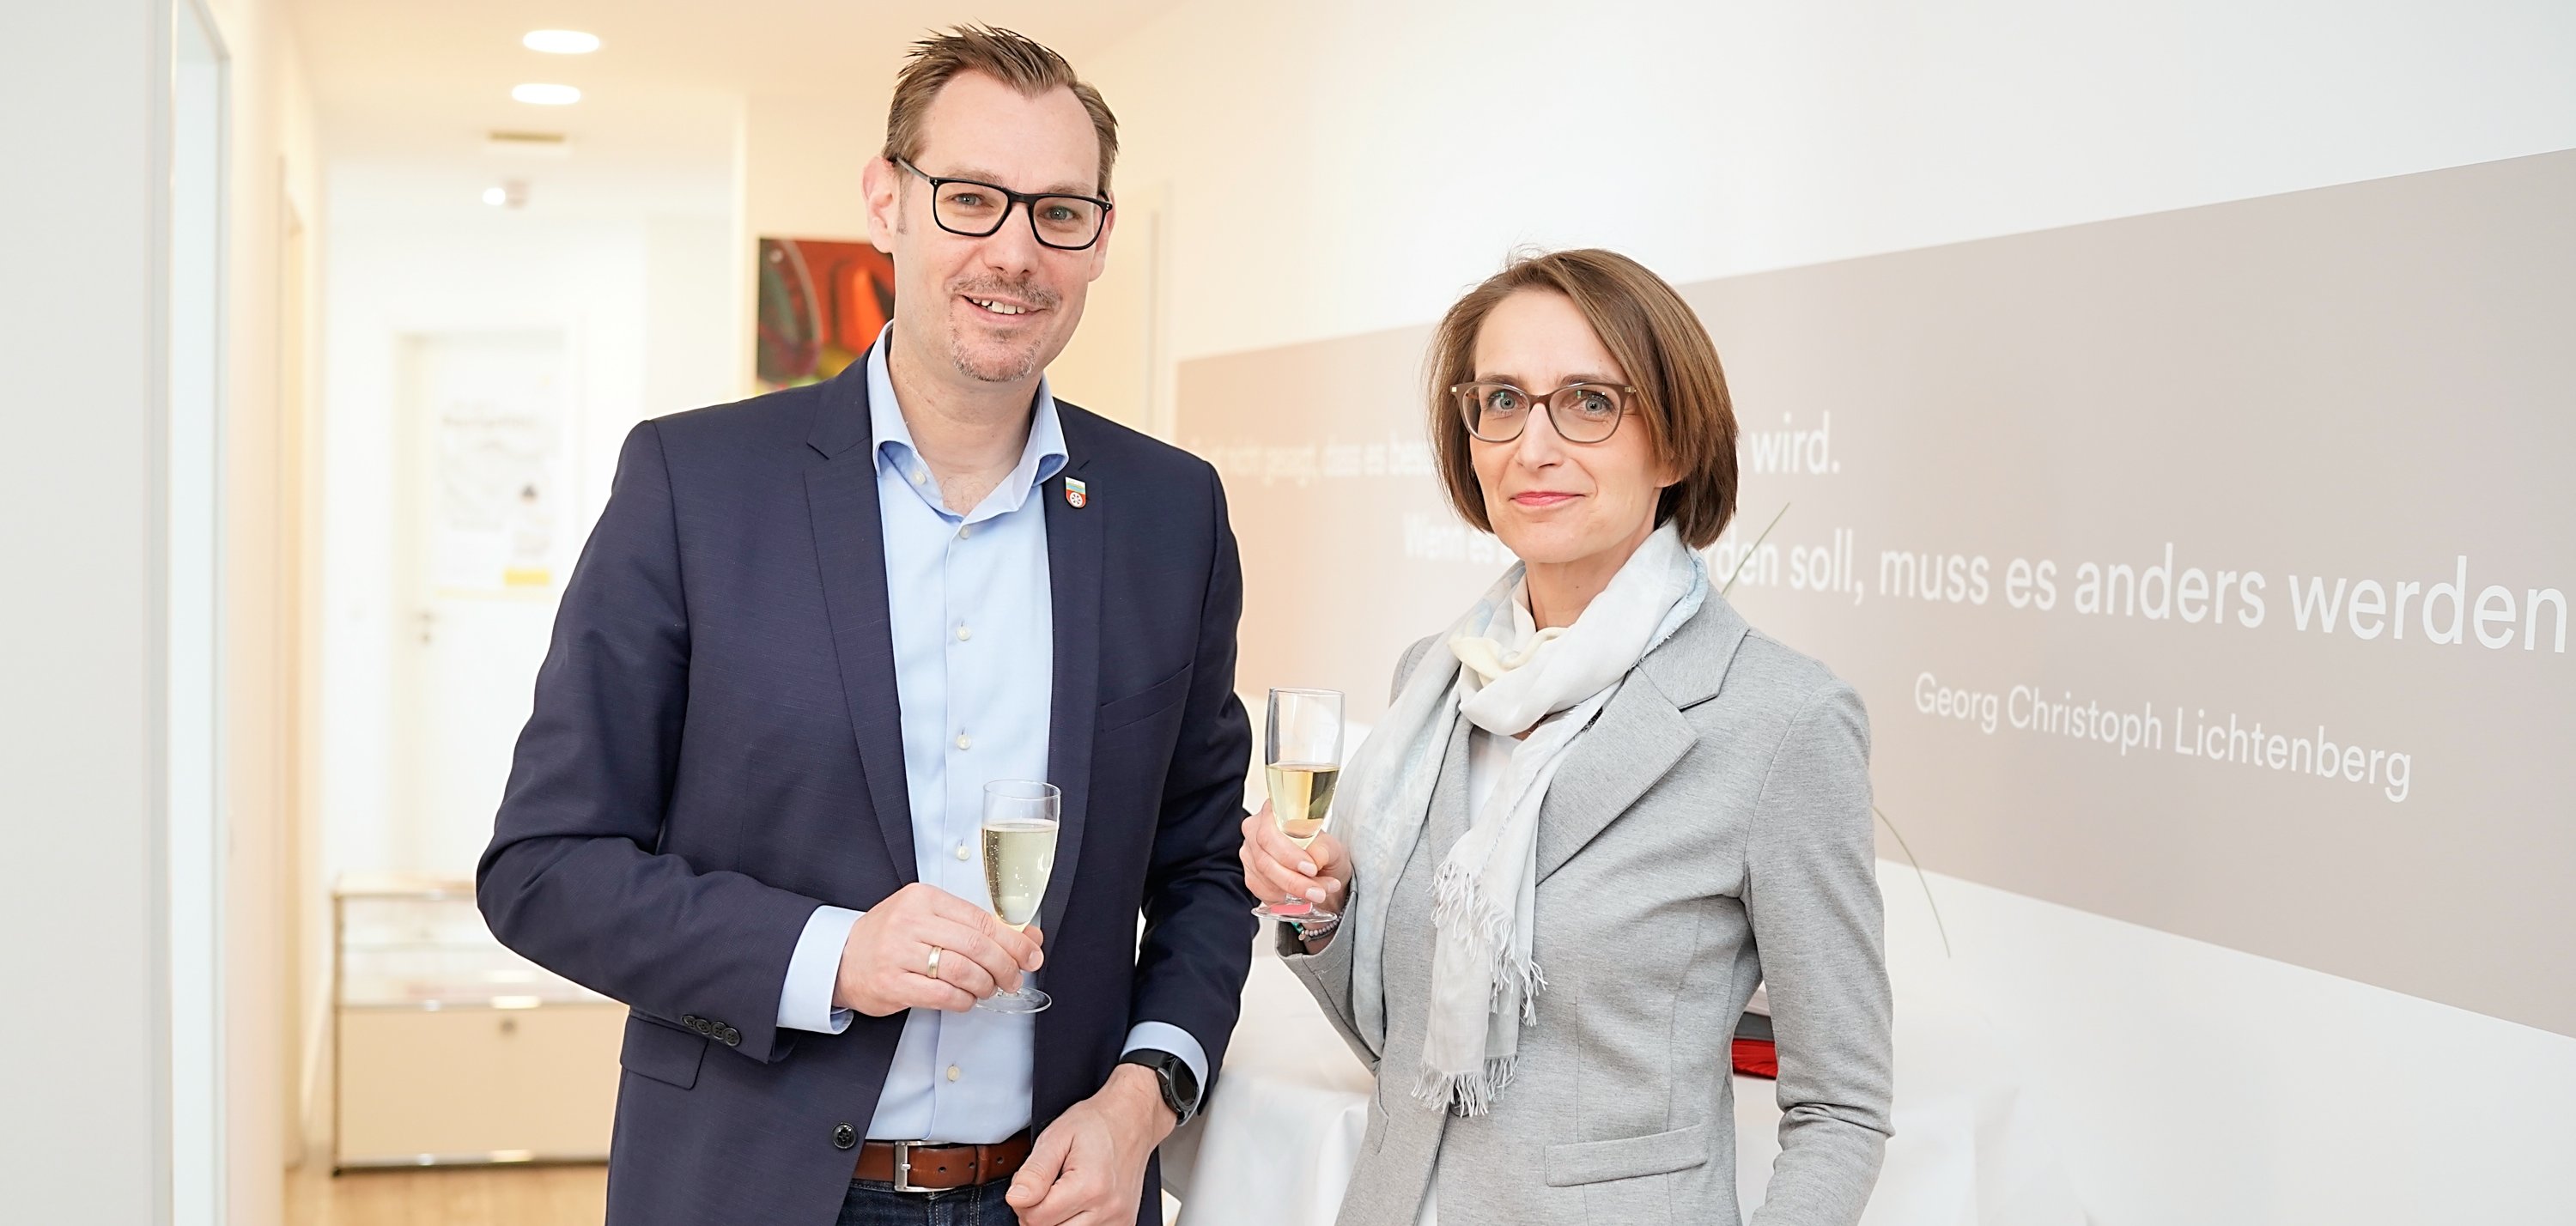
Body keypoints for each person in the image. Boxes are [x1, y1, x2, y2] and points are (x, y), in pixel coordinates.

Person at [480, 27, 1255, 1226]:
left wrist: (1144, 1100)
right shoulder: (695, 484)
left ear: (1100, 239)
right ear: (886, 200)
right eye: (972, 199)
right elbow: (544, 868)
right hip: (751, 1190)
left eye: (1059, 213)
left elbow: (1204, 868)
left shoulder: (1172, 512)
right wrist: (830, 955)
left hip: (1053, 1200)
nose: (1014, 252)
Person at [1239, 249, 1893, 1224]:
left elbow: (1842, 1106)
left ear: (1673, 445)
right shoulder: (1438, 681)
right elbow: (1404, 1046)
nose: (1532, 447)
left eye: (1588, 403)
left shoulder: (1780, 721)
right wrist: (1325, 912)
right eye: (1502, 401)